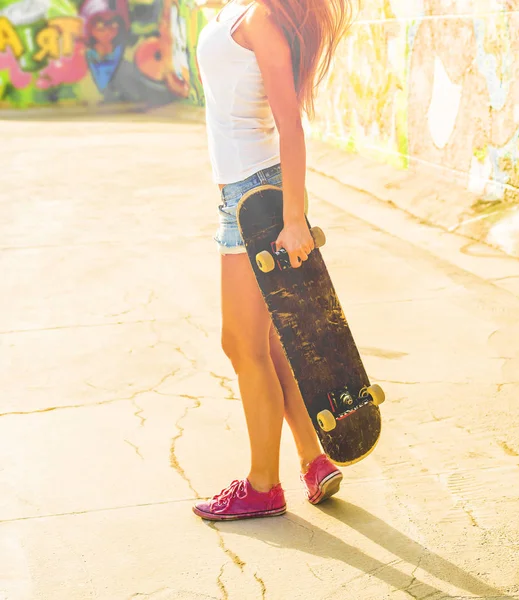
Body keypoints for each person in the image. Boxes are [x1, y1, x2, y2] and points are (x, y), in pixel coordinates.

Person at [193, 0, 352, 521]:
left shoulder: (261, 19)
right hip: (239, 196)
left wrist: (293, 218)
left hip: (256, 200)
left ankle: (263, 487)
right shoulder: (230, 13)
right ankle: (314, 459)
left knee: (240, 343)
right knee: (266, 343)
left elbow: (291, 126)